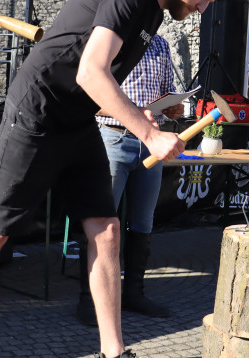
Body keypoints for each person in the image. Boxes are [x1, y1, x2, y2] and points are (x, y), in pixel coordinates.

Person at [0, 0, 228, 358]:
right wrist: (147, 135)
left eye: (209, 2)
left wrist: (141, 114)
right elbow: (90, 71)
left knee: (107, 230)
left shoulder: (153, 14)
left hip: (77, 122)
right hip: (36, 115)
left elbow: (95, 86)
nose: (202, 7)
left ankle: (113, 356)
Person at [75, 34, 184, 325]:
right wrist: (132, 114)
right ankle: (89, 300)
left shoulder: (160, 44)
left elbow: (167, 93)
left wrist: (175, 108)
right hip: (113, 138)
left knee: (143, 222)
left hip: (152, 143)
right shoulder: (110, 40)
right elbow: (87, 95)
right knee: (100, 223)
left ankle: (134, 293)